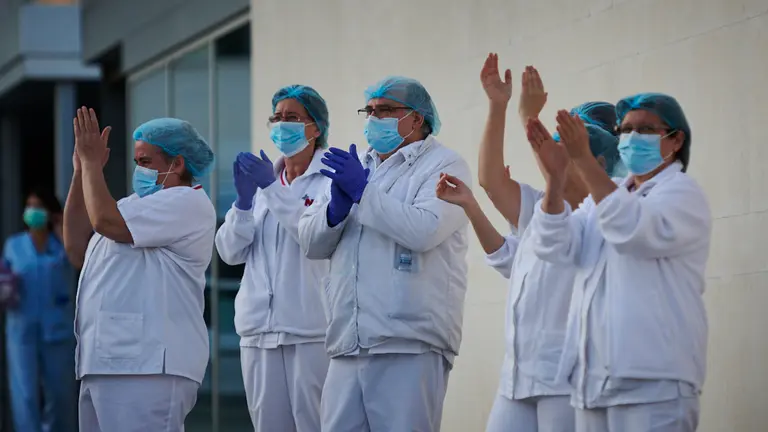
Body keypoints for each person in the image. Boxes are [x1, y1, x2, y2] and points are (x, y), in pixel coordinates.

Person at [526, 93, 710, 432]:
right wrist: (554, 179)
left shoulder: (682, 193)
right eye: (624, 130)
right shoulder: (604, 198)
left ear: (676, 139)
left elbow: (631, 230)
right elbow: (554, 247)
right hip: (593, 383)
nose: (631, 138)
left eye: (645, 129)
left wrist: (583, 159)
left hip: (654, 383)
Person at [298, 76, 471, 432]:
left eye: (386, 110)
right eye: (370, 110)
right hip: (350, 340)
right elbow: (312, 244)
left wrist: (363, 193)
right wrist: (336, 210)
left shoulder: (445, 165)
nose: (374, 118)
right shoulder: (358, 165)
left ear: (417, 118)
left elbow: (424, 230)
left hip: (410, 342)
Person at [461, 53, 621, 432]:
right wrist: (501, 107)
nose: (552, 156)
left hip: (567, 379)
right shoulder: (537, 206)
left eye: (567, 146)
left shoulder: (609, 218)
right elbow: (489, 179)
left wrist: (525, 119)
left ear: (596, 157)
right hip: (518, 375)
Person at [63, 107, 216, 432]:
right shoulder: (130, 206)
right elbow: (77, 246)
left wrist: (92, 165)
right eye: (137, 162)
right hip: (106, 360)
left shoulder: (187, 202)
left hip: (150, 367)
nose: (139, 170)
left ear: (177, 163)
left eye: (146, 162)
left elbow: (104, 222)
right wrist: (80, 171)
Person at [215, 85, 331, 431]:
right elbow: (230, 252)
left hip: (310, 330)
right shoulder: (266, 187)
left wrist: (270, 189)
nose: (282, 125)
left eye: (292, 118)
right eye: (277, 118)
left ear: (316, 128)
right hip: (258, 331)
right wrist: (243, 204)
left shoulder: (329, 181)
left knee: (316, 424)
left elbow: (314, 237)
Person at [2, 189, 75, 432]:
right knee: (25, 394)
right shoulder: (14, 246)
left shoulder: (62, 244)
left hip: (57, 331)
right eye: (29, 206)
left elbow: (78, 260)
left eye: (38, 206)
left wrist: (61, 227)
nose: (32, 212)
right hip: (22, 330)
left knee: (60, 394)